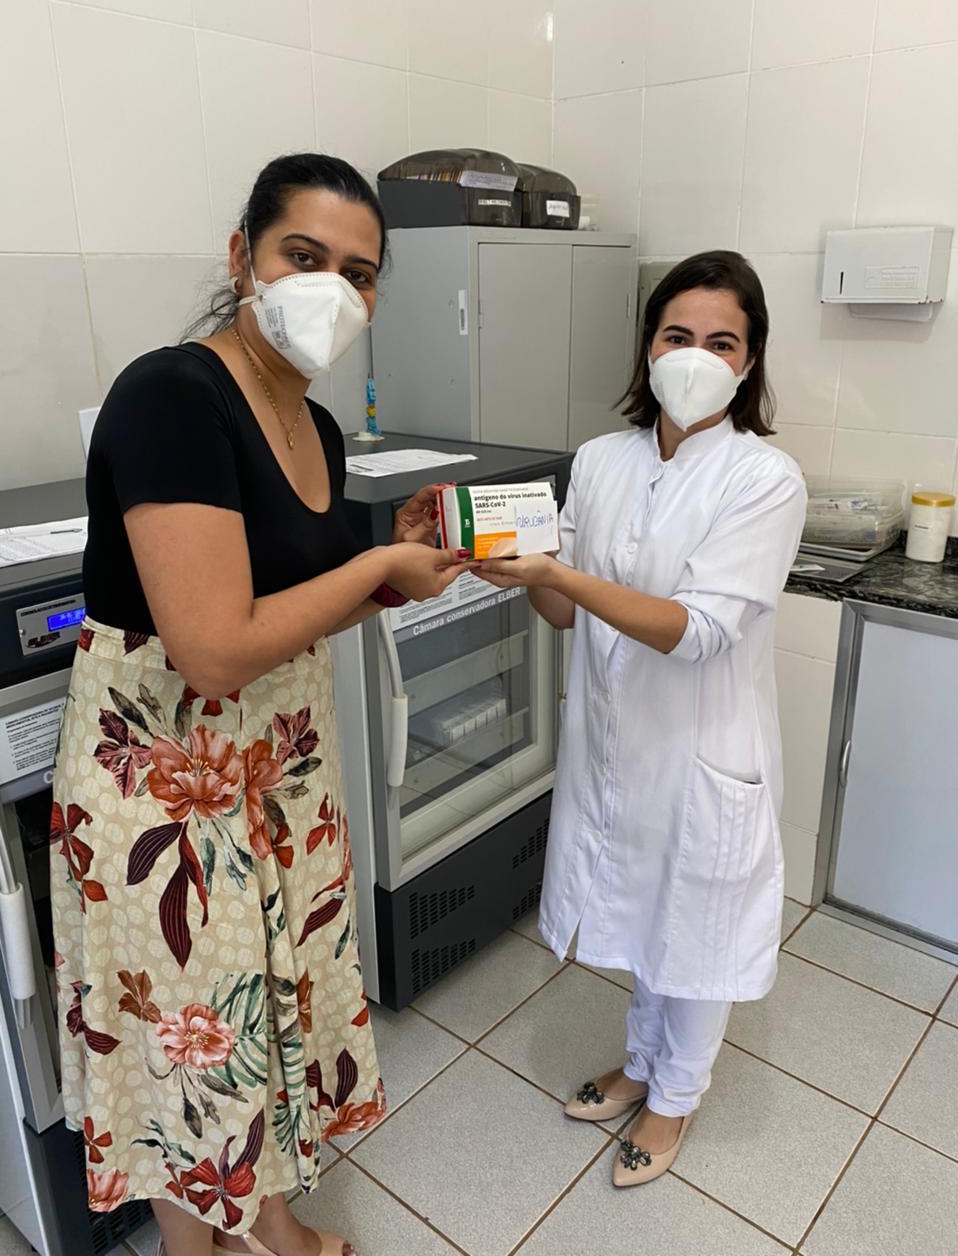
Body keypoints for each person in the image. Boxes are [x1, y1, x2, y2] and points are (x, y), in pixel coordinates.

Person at [51, 153, 472, 1256]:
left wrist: (398, 563)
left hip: (279, 782)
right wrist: (373, 567)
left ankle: (272, 1220)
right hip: (170, 804)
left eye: (358, 273)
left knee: (273, 1022)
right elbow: (214, 649)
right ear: (243, 255)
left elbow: (297, 609)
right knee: (195, 1059)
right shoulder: (172, 396)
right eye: (303, 256)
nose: (333, 289)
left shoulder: (317, 427)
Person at [475, 251, 807, 1187]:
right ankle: (639, 1064)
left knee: (693, 927)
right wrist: (515, 568)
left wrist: (558, 572)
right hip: (615, 741)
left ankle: (675, 1098)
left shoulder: (764, 478)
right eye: (677, 335)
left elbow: (698, 632)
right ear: (648, 347)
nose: (695, 357)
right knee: (645, 912)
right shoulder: (600, 460)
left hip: (703, 748)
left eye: (721, 342)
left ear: (749, 361)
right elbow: (563, 611)